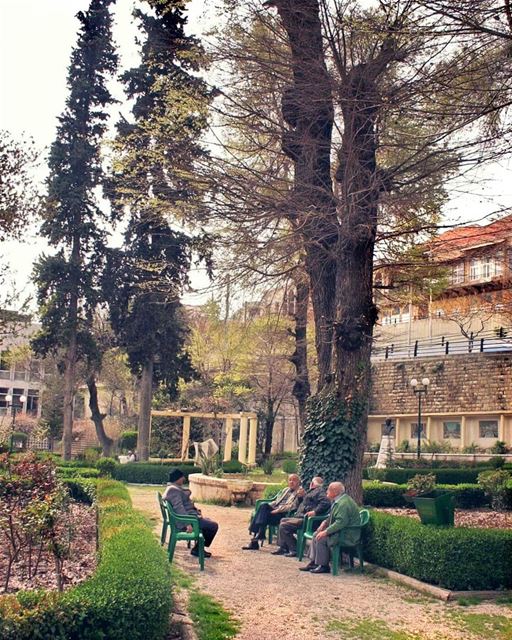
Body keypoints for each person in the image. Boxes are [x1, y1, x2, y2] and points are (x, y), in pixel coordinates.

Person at [299, 481, 360, 574]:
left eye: (328, 490)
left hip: (346, 535)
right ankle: (315, 562)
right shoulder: (339, 500)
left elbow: (340, 522)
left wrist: (326, 532)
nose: (326, 491)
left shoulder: (343, 504)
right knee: (316, 534)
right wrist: (324, 523)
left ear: (335, 492)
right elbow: (331, 516)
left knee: (321, 538)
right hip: (341, 532)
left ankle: (324, 566)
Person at [163, 468, 219, 558]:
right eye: (182, 477)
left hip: (191, 517)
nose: (184, 479)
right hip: (188, 520)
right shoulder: (173, 490)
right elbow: (179, 508)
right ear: (178, 478)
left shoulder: (173, 488)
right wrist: (188, 524)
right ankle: (198, 549)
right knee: (213, 526)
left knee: (208, 522)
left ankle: (199, 548)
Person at [272, 476, 330, 557]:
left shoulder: (320, 491)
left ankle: (294, 549)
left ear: (312, 483)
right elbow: (303, 503)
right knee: (283, 520)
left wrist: (315, 511)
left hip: (307, 520)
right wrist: (300, 497)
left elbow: (326, 503)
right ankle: (283, 547)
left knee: (284, 525)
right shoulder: (312, 491)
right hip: (300, 517)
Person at [242, 473, 301, 550]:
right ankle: (260, 534)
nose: (291, 482)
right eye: (290, 480)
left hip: (283, 515)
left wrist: (277, 510)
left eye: (294, 480)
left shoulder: (299, 493)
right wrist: (269, 506)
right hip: (274, 513)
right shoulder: (286, 490)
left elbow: (292, 506)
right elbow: (276, 501)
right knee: (263, 507)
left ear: (298, 482)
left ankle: (255, 541)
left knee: (263, 510)